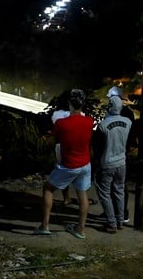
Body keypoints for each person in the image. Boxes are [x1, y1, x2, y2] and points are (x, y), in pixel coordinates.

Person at [33, 88, 94, 239]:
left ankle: (45, 225)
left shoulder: (61, 123)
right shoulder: (89, 121)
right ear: (83, 104)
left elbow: (53, 139)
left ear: (69, 104)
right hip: (85, 164)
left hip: (69, 164)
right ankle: (80, 229)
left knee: (48, 189)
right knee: (82, 194)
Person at [94, 95, 132, 233]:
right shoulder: (127, 122)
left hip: (107, 163)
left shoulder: (102, 125)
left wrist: (96, 163)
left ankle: (111, 223)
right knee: (119, 191)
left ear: (109, 107)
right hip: (121, 162)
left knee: (104, 193)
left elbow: (97, 147)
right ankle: (120, 220)